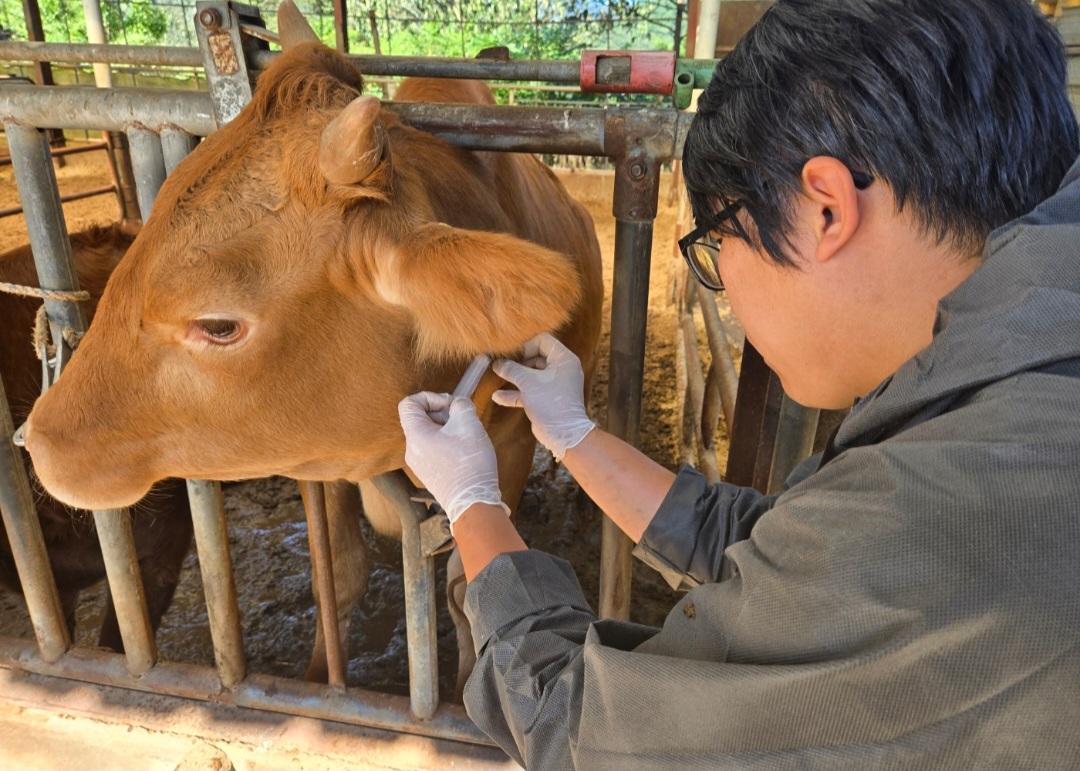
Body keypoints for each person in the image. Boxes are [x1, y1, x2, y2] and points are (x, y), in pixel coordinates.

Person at [398, 0, 1080, 767]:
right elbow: (784, 546)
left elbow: (577, 730)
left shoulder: (950, 517)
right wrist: (574, 434)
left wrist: (472, 504)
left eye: (719, 246)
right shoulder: (1027, 370)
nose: (725, 289)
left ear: (825, 208)